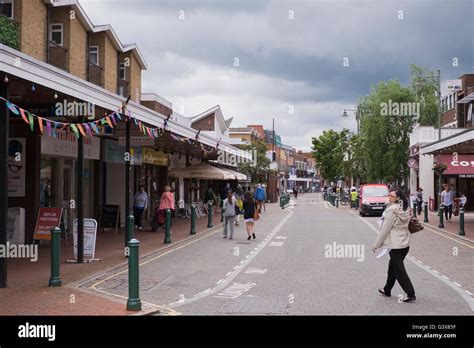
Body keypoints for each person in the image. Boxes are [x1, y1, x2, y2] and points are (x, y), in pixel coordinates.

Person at [373, 189, 415, 303]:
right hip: (405, 244)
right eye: (389, 195)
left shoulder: (392, 210)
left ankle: (410, 293)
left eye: (391, 195)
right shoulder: (405, 209)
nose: (389, 197)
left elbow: (385, 229)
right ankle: (387, 289)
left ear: (397, 198)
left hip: (395, 245)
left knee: (399, 270)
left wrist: (376, 244)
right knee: (392, 267)